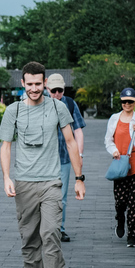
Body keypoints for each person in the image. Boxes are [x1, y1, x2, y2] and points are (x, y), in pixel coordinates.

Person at [0, 61, 85, 268]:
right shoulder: (13, 111)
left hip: (51, 182)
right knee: (29, 237)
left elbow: (71, 142)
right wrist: (6, 176)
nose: (35, 88)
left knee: (51, 234)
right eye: (30, 84)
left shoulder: (58, 108)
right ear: (22, 83)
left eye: (39, 84)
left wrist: (79, 178)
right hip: (24, 183)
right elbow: (5, 147)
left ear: (45, 83)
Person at [104, 87, 135, 248]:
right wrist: (114, 151)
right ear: (121, 102)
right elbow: (108, 140)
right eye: (124, 101)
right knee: (121, 201)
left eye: (130, 101)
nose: (127, 104)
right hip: (121, 163)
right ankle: (120, 217)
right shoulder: (114, 119)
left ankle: (132, 234)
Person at [46, 73, 85, 242]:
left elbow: (78, 131)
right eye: (53, 90)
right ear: (47, 89)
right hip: (43, 160)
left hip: (64, 157)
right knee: (44, 195)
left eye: (59, 90)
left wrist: (80, 155)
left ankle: (59, 229)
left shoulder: (69, 103)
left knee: (61, 196)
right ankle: (46, 228)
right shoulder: (40, 104)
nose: (56, 94)